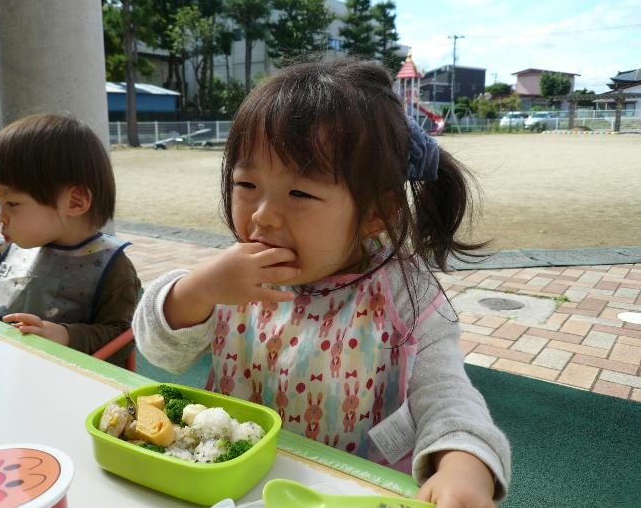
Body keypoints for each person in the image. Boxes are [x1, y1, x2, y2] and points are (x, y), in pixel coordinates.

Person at [134, 58, 510, 506]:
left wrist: (464, 463)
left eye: (300, 193)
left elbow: (447, 394)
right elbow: (159, 352)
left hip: (353, 489)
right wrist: (197, 291)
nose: (262, 215)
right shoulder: (233, 279)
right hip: (235, 481)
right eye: (246, 183)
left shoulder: (404, 295)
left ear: (376, 212)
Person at [0, 114, 141, 366]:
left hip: (66, 383)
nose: (1, 216)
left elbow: (121, 337)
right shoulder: (23, 246)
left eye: (12, 203)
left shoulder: (112, 266)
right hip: (6, 365)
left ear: (75, 201)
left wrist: (65, 335)